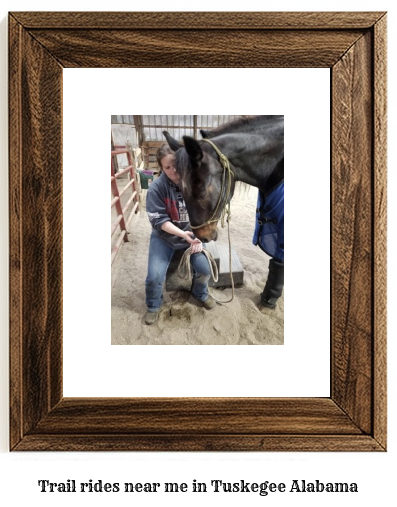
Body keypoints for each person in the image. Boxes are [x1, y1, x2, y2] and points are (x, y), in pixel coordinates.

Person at [144, 144, 216, 325]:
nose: (173, 170)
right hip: (165, 237)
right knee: (154, 277)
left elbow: (207, 211)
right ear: (161, 168)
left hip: (192, 236)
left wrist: (198, 236)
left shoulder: (195, 183)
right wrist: (184, 235)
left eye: (175, 164)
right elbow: (159, 220)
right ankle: (153, 305)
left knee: (205, 270)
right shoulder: (156, 188)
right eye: (167, 167)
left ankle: (200, 292)